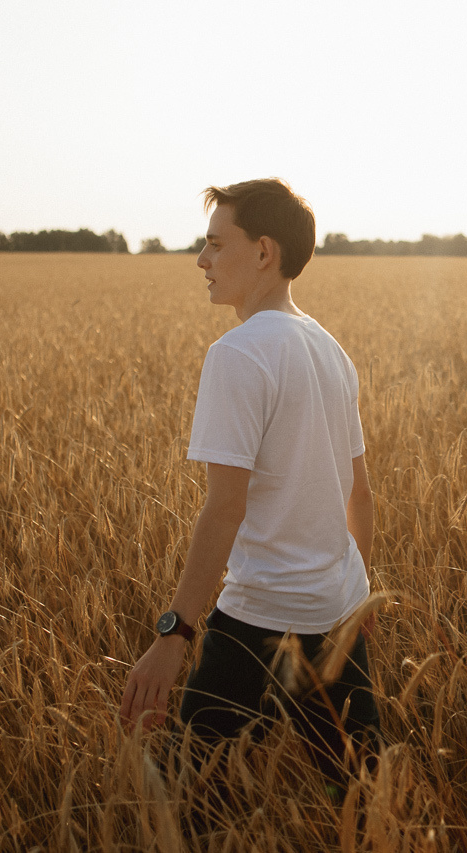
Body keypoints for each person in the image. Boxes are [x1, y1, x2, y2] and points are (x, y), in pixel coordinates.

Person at [120, 178, 380, 784]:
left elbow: (224, 509)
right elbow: (359, 494)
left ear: (263, 252)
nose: (202, 261)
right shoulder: (331, 350)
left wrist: (174, 634)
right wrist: (359, 597)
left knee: (192, 801)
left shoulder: (239, 354)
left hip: (257, 622)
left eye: (215, 244)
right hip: (337, 608)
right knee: (364, 797)